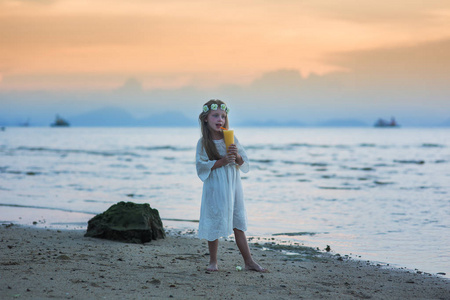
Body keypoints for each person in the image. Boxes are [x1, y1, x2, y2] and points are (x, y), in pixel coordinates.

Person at [196, 99, 266, 272]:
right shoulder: (203, 143)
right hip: (215, 187)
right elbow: (202, 165)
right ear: (206, 118)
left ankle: (249, 261)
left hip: (233, 186)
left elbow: (243, 162)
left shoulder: (231, 138)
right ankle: (213, 261)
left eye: (223, 116)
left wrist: (237, 156)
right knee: (214, 219)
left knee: (237, 220)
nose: (220, 119)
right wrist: (222, 161)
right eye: (215, 116)